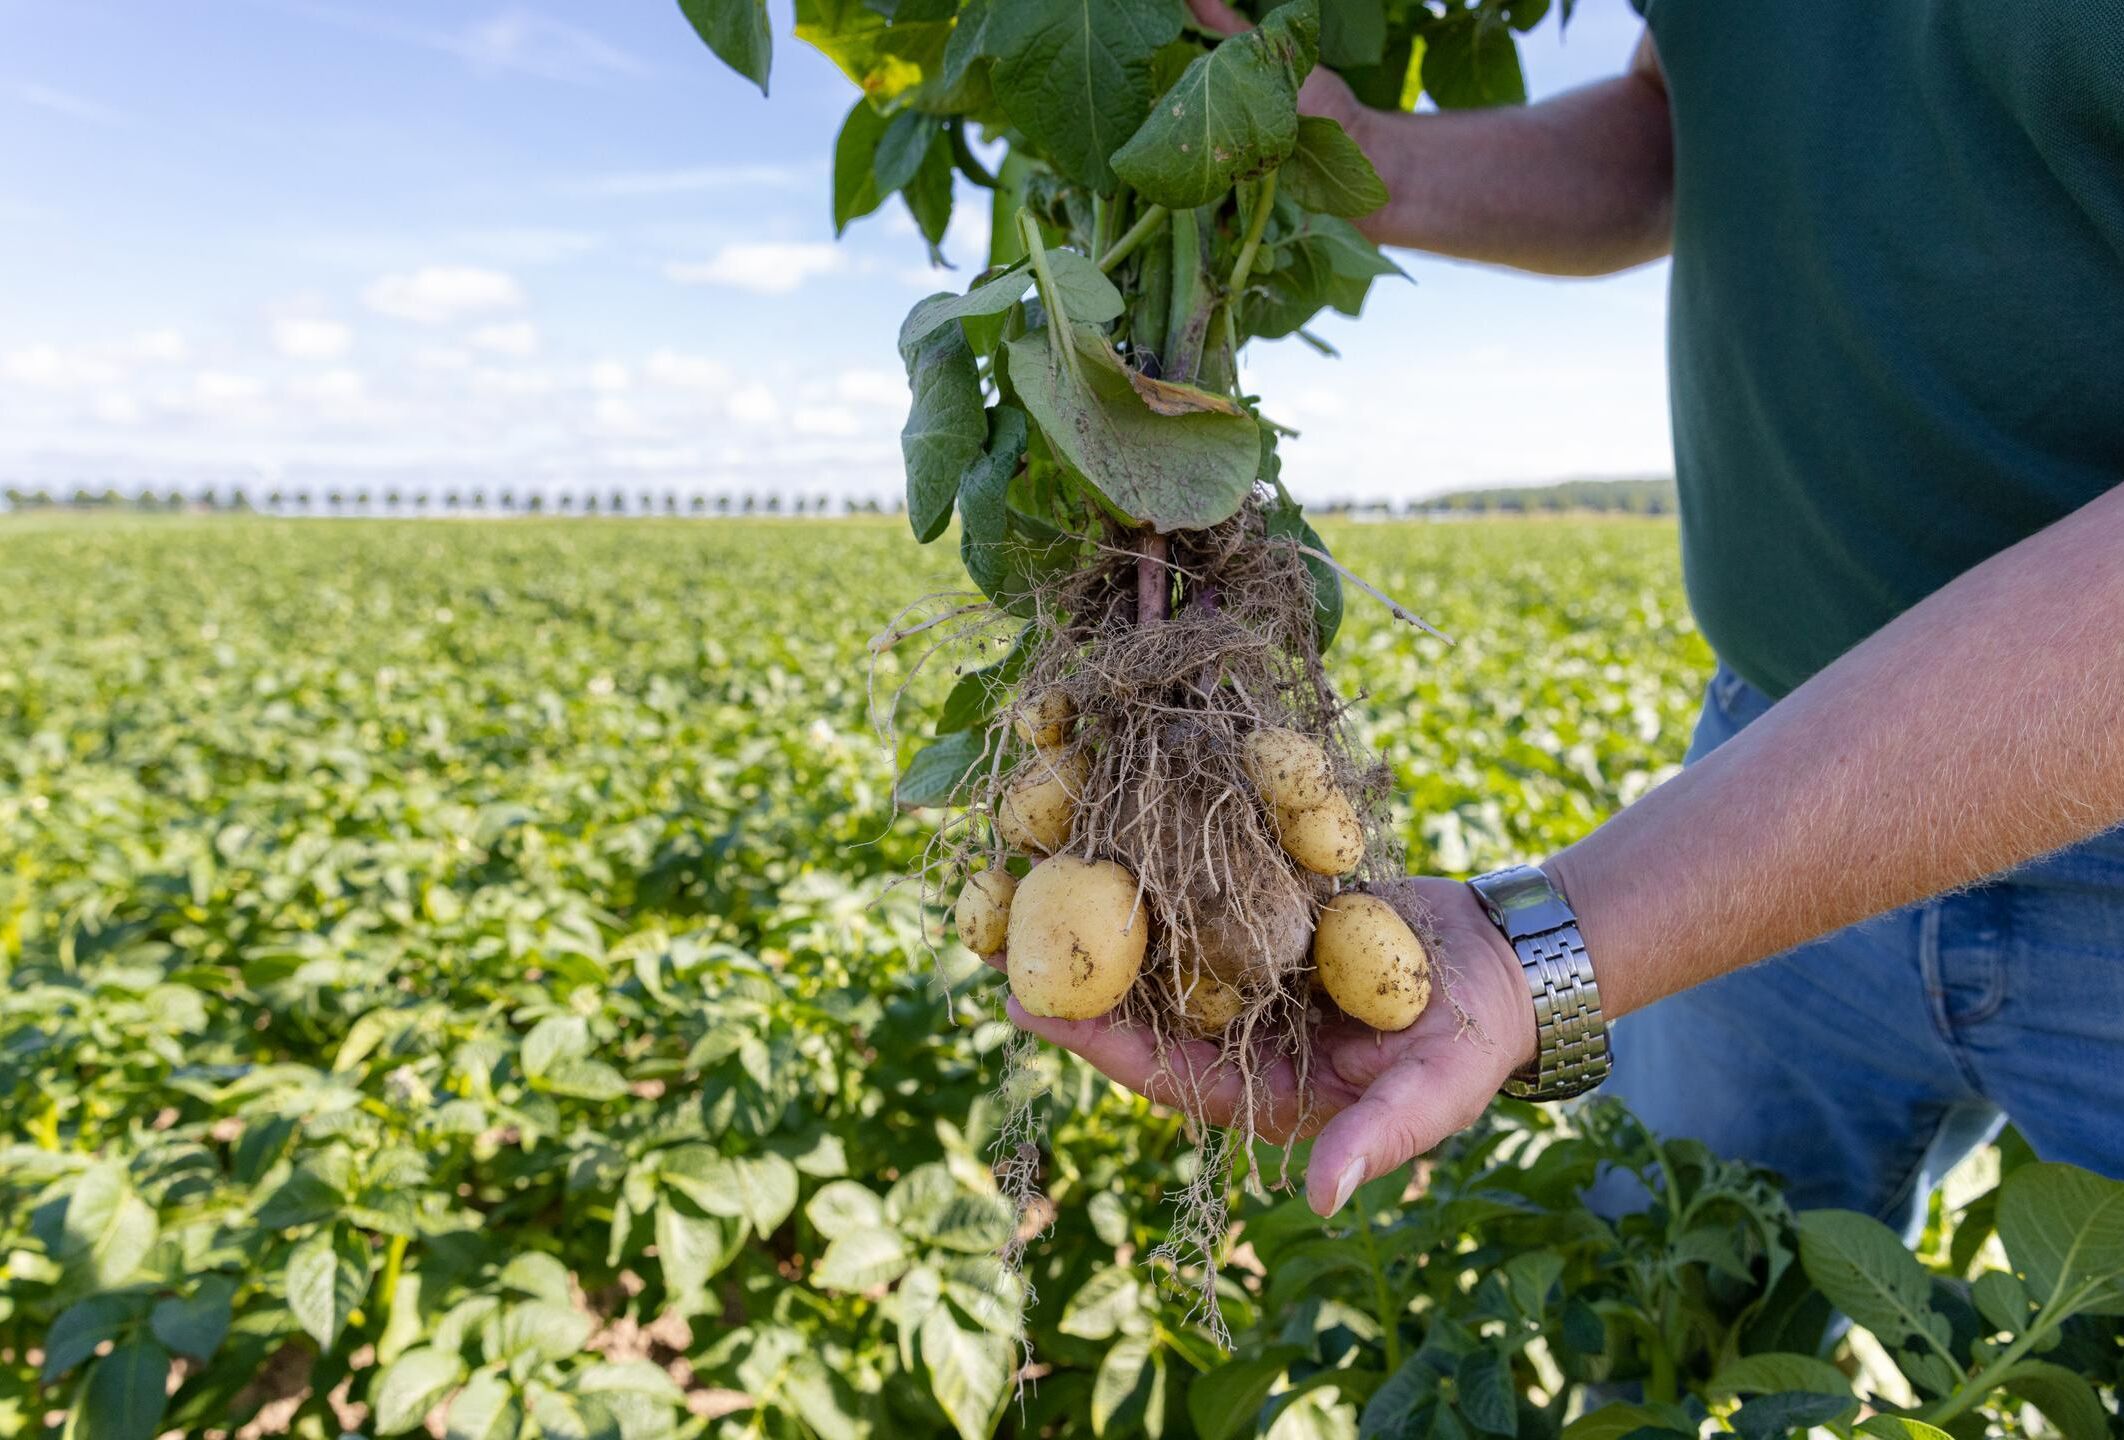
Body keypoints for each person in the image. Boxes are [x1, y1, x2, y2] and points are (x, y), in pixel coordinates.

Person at [1006, 0, 2124, 1226]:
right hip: (1755, 782)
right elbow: (1675, 119)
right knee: (1665, 1304)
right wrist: (1365, 158)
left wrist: (1553, 941)